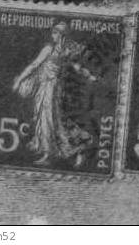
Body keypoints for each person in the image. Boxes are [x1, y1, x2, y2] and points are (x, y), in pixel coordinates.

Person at [12, 22, 96, 167]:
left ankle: (53, 154)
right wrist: (19, 79)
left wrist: (90, 76)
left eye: (56, 33)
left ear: (62, 35)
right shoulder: (48, 49)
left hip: (55, 90)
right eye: (53, 32)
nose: (53, 35)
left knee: (52, 121)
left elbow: (77, 67)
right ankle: (69, 150)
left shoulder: (66, 52)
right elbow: (34, 65)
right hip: (44, 88)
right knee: (45, 120)